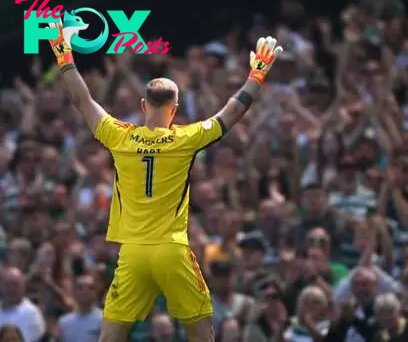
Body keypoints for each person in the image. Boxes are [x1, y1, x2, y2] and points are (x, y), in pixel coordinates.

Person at [45, 19, 283, 342]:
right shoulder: (185, 138)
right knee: (201, 332)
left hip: (133, 253)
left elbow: (82, 99)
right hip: (172, 250)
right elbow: (230, 114)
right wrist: (257, 75)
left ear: (144, 106)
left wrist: (63, 52)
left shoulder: (120, 136)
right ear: (174, 109)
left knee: (111, 337)